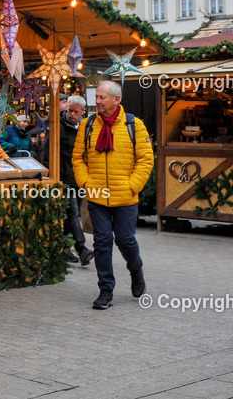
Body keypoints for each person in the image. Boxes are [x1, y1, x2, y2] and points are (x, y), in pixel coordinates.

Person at [72, 81, 154, 310]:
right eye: (96, 97)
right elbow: (78, 158)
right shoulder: (88, 125)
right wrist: (86, 183)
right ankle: (106, 289)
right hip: (97, 195)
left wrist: (133, 185)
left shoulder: (134, 125)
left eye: (102, 97)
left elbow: (146, 159)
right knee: (102, 242)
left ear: (116, 100)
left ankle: (136, 269)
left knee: (125, 240)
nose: (97, 101)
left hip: (125, 197)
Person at [44, 95, 93, 266]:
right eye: (69, 110)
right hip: (63, 177)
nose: (71, 113)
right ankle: (82, 249)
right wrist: (49, 175)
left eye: (75, 111)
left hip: (79, 178)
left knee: (71, 215)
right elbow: (47, 152)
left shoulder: (87, 127)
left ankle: (65, 248)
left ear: (82, 112)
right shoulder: (58, 125)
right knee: (72, 213)